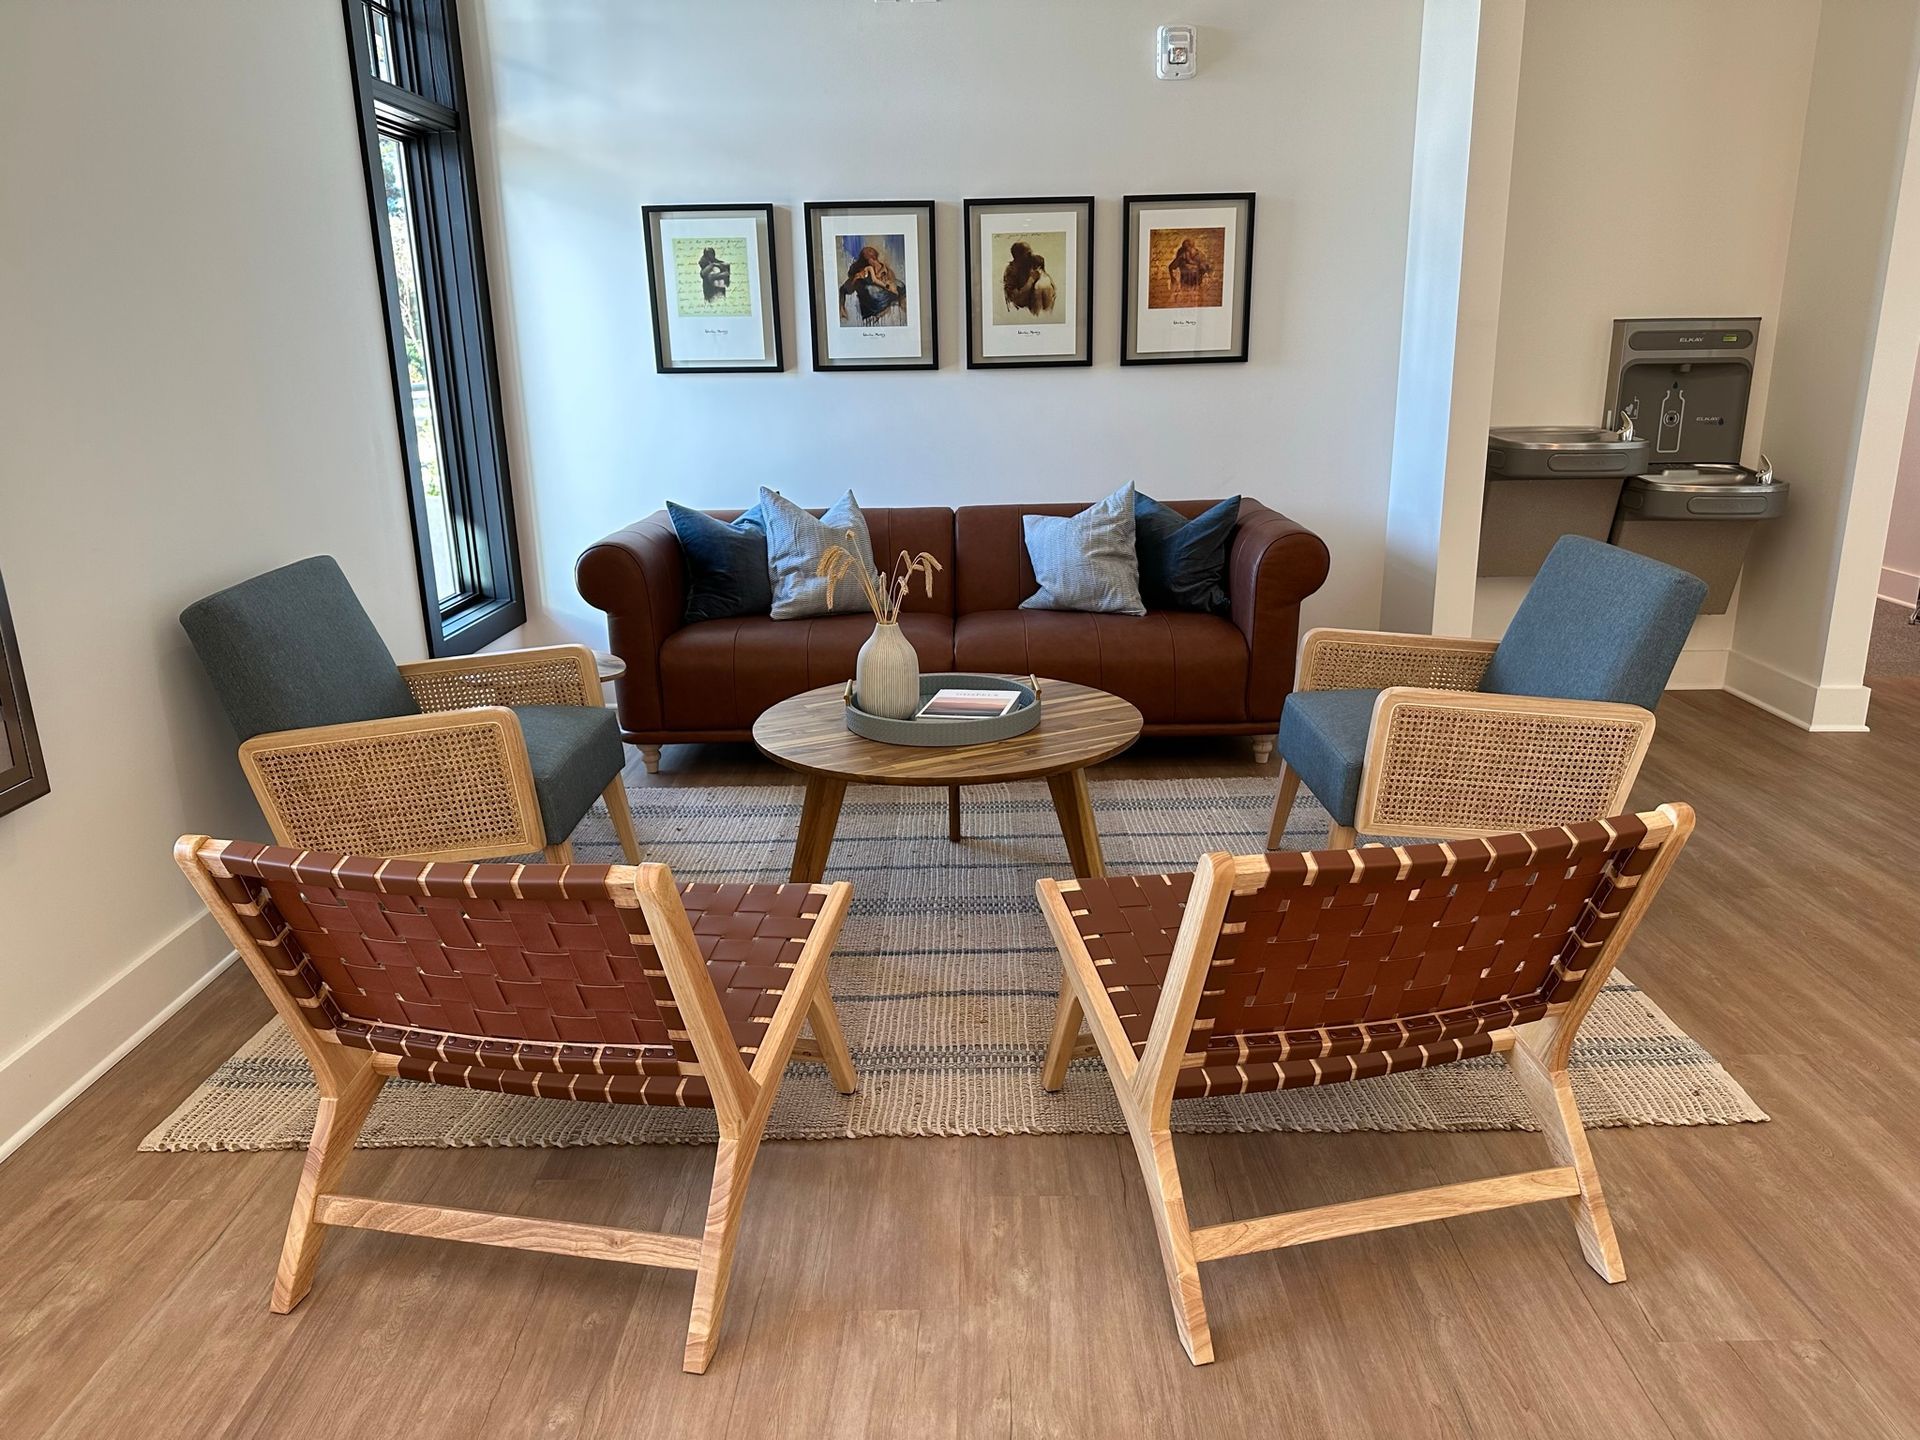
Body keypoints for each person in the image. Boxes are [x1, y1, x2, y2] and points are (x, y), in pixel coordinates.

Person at [840, 244, 906, 324]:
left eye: (873, 259)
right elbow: (874, 281)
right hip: (874, 302)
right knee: (871, 290)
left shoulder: (883, 268)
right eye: (870, 260)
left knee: (900, 285)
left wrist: (889, 283)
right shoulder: (864, 270)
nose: (874, 261)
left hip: (885, 296)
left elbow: (890, 280)